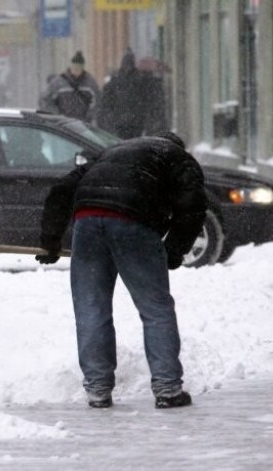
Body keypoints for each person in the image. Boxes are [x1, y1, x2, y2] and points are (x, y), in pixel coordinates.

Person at [36, 131, 207, 409]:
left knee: (91, 307)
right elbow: (192, 208)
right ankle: (167, 389)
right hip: (133, 221)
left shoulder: (111, 152)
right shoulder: (178, 159)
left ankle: (97, 390)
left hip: (88, 220)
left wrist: (50, 242)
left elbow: (61, 190)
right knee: (155, 309)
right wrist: (174, 251)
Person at [97, 48, 169, 138]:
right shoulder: (139, 80)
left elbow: (106, 103)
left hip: (124, 122)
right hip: (134, 122)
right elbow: (148, 99)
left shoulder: (116, 80)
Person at [39, 51, 101, 123]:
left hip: (83, 124)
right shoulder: (59, 83)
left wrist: (88, 117)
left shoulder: (90, 84)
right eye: (74, 67)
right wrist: (57, 115)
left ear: (82, 68)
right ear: (71, 67)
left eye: (78, 67)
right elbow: (46, 100)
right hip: (63, 123)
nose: (76, 70)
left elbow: (96, 102)